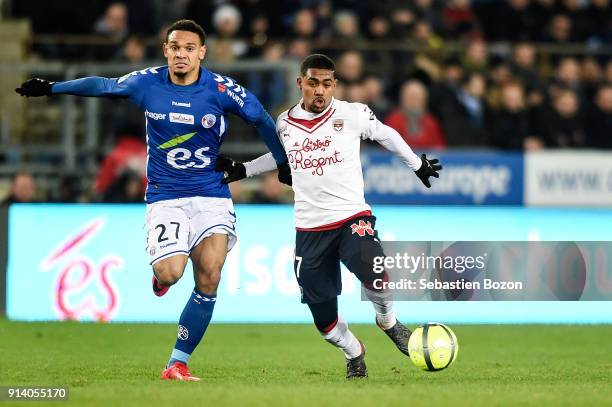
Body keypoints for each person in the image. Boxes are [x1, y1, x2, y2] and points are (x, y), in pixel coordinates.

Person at [16, 19, 290, 381]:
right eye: (175, 47)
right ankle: (160, 279)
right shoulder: (147, 82)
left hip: (211, 194)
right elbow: (103, 86)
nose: (181, 54)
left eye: (189, 48)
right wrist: (53, 87)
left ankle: (177, 362)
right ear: (166, 50)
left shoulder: (222, 89)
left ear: (201, 53)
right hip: (166, 196)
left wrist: (282, 163)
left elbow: (262, 120)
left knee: (209, 275)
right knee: (171, 273)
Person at [216, 54, 441, 379]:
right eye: (312, 83)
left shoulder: (353, 113)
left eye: (326, 83)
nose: (319, 90)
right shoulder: (285, 123)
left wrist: (416, 164)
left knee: (374, 269)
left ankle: (388, 321)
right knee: (324, 321)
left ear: (334, 84)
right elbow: (281, 158)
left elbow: (386, 134)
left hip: (352, 216)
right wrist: (244, 169)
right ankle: (354, 352)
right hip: (310, 229)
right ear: (301, 83)